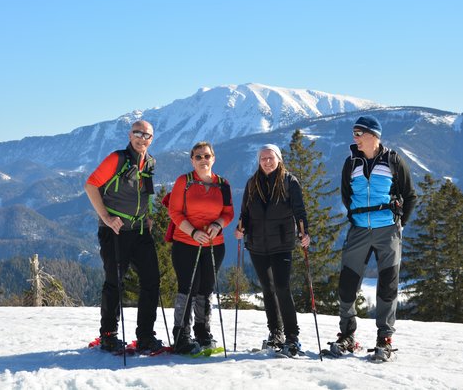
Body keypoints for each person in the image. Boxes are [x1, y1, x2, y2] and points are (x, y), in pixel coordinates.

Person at [328, 115, 417, 361]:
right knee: (347, 285)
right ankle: (347, 336)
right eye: (354, 133)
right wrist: (358, 217)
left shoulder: (393, 161)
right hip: (358, 231)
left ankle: (384, 340)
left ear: (373, 136)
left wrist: (400, 224)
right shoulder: (351, 163)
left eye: (358, 133)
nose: (354, 138)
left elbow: (410, 195)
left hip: (388, 231)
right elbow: (346, 195)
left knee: (387, 287)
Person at [84, 120, 164, 353]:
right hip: (115, 232)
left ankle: (146, 336)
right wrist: (106, 218)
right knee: (114, 283)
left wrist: (148, 217)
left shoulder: (150, 162)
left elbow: (146, 193)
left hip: (140, 231)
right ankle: (108, 334)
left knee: (151, 281)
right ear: (130, 135)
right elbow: (90, 185)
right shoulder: (116, 159)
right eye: (138, 133)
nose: (142, 138)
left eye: (146, 135)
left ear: (152, 139)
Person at [234, 144, 310, 357]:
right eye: (263, 158)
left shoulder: (289, 181)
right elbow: (245, 213)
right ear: (259, 161)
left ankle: (292, 335)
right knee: (267, 289)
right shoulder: (252, 183)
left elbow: (299, 211)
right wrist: (241, 229)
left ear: (279, 159)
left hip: (282, 244)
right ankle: (275, 333)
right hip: (257, 244)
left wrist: (305, 233)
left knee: (282, 287)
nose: (267, 161)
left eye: (271, 157)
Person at [168, 141, 234, 354]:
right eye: (198, 157)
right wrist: (194, 233)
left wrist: (218, 224)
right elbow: (174, 212)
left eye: (207, 156)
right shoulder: (183, 182)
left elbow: (228, 213)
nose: (203, 160)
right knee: (187, 289)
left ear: (213, 158)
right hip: (186, 243)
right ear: (192, 160)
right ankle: (181, 336)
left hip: (215, 245)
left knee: (205, 290)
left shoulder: (223, 184)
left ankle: (203, 332)